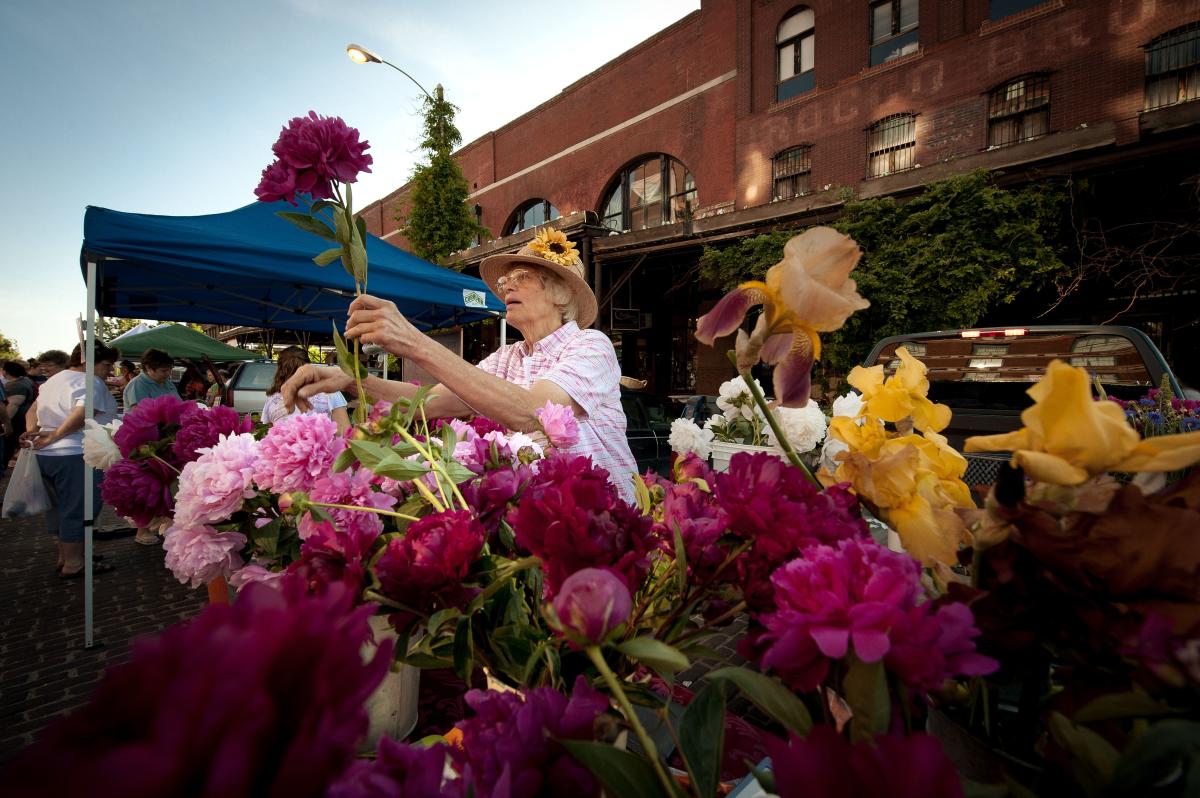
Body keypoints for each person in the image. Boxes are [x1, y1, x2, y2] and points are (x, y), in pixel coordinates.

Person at [282, 227, 639, 501]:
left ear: (561, 292)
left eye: (521, 277)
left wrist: (414, 342)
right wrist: (351, 379)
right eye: (506, 280)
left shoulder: (591, 345)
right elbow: (429, 402)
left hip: (605, 519)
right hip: (544, 515)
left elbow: (537, 413)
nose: (506, 287)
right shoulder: (509, 356)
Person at [22, 343, 119, 578]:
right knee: (79, 508)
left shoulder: (54, 380)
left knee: (59, 507)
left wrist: (35, 432)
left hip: (47, 455)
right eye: (107, 364)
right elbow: (82, 412)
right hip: (76, 453)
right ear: (88, 361)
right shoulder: (90, 381)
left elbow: (32, 411)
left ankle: (66, 555)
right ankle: (74, 563)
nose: (110, 371)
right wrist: (55, 434)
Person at [263, 346, 350, 433]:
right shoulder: (329, 391)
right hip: (321, 441)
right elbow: (344, 432)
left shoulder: (271, 399)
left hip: (284, 442)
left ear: (279, 370)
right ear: (308, 366)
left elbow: (272, 434)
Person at [4, 361, 37, 465]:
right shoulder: (26, 380)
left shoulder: (16, 385)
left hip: (16, 421)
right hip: (23, 419)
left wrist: (5, 422)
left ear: (5, 372)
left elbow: (13, 405)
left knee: (8, 447)